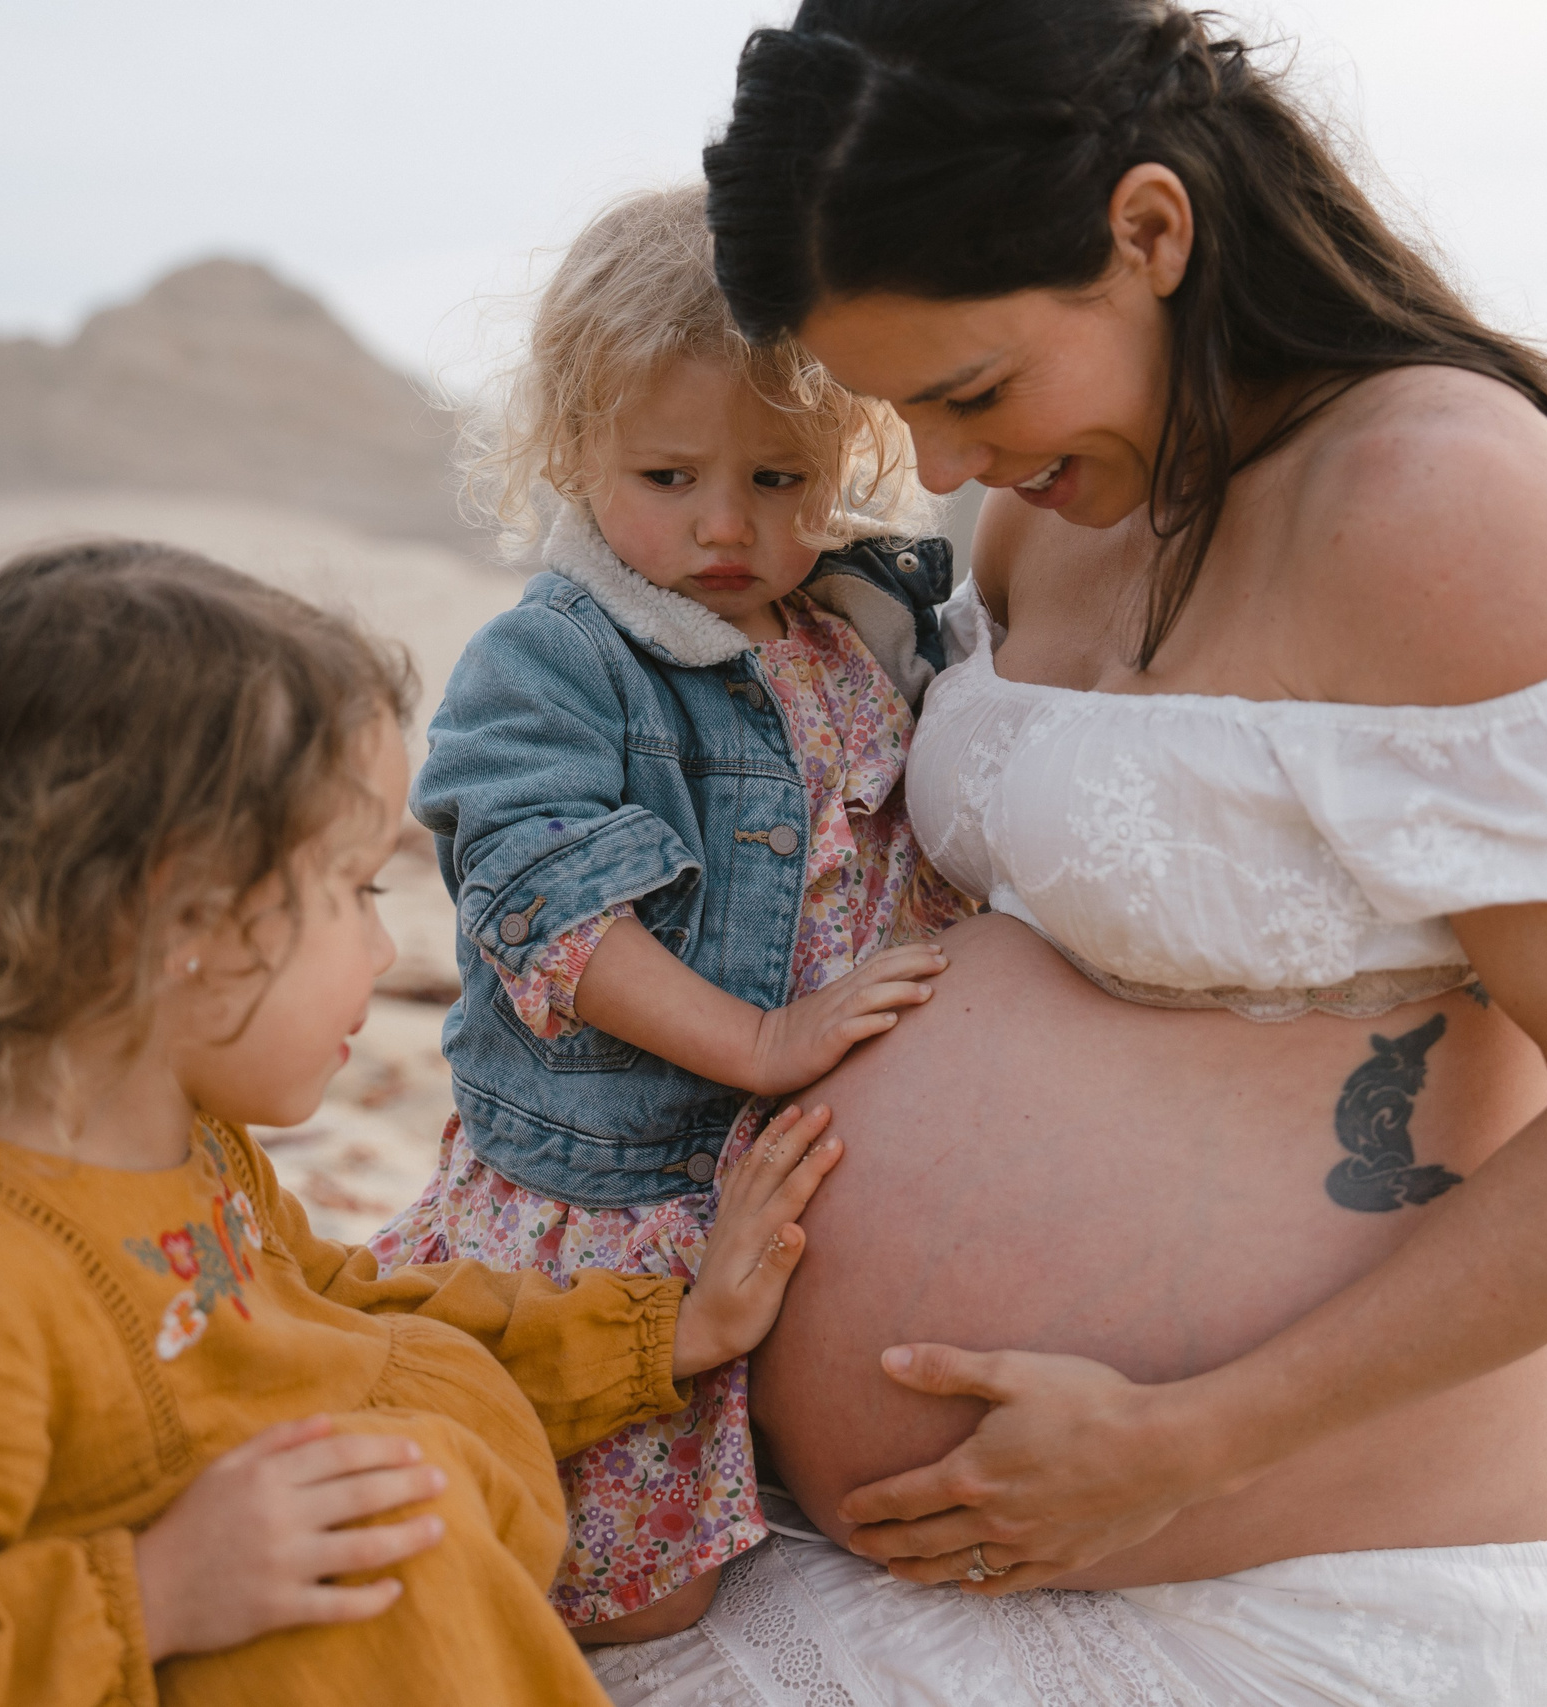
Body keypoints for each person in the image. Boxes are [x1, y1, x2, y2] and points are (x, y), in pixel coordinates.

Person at [594, 2, 1547, 1702]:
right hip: (849, 1524)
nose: (941, 467)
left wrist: (1187, 1440)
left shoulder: (1439, 501)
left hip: (1283, 1577)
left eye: (972, 390)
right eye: (901, 412)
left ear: (1149, 233)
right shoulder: (1057, 499)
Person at [0, 541, 841, 1707]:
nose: (384, 951)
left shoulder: (193, 1153)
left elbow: (353, 1314)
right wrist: (156, 1593)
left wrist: (668, 1333)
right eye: (351, 889)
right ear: (180, 915)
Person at [369, 182, 976, 1644]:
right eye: (669, 475)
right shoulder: (560, 659)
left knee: (748, 1520)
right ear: (573, 449)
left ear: (847, 454)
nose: (726, 523)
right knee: (635, 1586)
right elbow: (541, 900)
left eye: (778, 479)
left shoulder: (851, 630)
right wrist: (760, 1040)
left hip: (761, 1178)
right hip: (621, 1187)